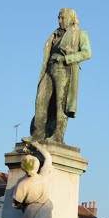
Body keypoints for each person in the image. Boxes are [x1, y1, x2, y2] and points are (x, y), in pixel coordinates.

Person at [31, 8, 91, 144]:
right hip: (49, 69)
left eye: (62, 18)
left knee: (61, 104)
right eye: (58, 17)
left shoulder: (80, 34)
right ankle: (37, 134)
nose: (59, 20)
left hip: (65, 70)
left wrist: (67, 59)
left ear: (70, 18)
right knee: (40, 100)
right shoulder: (55, 33)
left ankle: (58, 136)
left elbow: (87, 53)